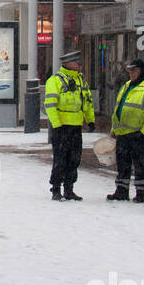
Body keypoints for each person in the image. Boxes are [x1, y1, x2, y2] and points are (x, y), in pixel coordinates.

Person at [108, 58, 144, 203]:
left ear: (142, 71)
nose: (131, 73)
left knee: (140, 164)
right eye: (130, 71)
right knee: (123, 163)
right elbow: (118, 109)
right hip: (123, 133)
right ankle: (121, 190)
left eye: (135, 70)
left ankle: (141, 193)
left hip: (138, 134)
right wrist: (114, 129)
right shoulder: (126, 86)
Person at [44, 50, 95, 201]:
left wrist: (90, 120)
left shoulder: (81, 81)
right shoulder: (55, 81)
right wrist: (56, 124)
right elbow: (50, 104)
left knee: (74, 159)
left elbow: (87, 102)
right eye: (76, 62)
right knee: (60, 159)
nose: (79, 65)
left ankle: (69, 188)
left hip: (75, 126)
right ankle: (56, 188)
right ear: (67, 64)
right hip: (61, 127)